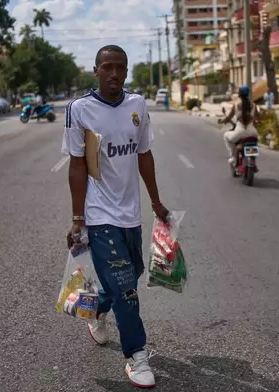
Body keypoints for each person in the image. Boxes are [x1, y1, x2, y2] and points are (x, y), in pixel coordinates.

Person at [62, 44, 169, 389]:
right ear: (96, 70)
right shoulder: (80, 109)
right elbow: (77, 165)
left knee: (130, 275)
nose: (114, 73)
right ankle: (136, 355)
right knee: (126, 288)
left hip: (131, 214)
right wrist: (78, 218)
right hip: (99, 214)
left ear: (126, 70)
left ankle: (93, 309)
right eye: (107, 67)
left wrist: (156, 203)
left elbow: (144, 156)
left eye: (120, 67)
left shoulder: (137, 105)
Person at [218, 85, 260, 166]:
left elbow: (228, 117)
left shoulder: (236, 104)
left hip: (239, 133)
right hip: (253, 133)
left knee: (226, 136)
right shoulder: (253, 105)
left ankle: (233, 157)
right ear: (248, 94)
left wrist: (221, 121)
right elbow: (258, 119)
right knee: (254, 143)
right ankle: (252, 159)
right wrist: (256, 122)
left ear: (239, 94)